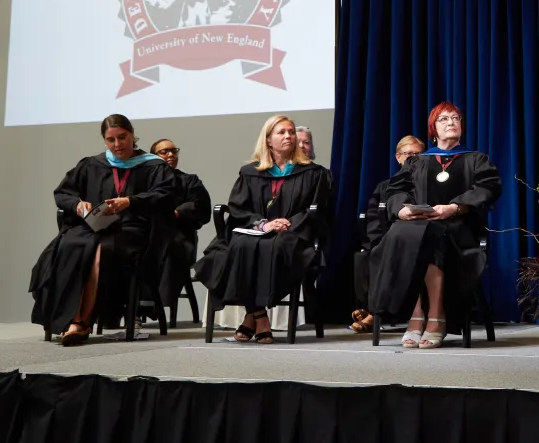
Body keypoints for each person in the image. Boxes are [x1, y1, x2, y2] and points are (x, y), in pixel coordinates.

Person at [30, 114, 175, 346]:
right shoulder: (92, 164)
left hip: (131, 230)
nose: (117, 144)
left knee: (98, 248)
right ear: (104, 140)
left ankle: (81, 320)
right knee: (70, 244)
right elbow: (63, 193)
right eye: (110, 140)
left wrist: (131, 201)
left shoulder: (153, 166)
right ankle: (69, 319)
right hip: (93, 226)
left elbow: (166, 195)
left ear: (132, 134)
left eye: (122, 137)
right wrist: (78, 205)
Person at [369, 102, 501, 349]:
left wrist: (454, 207)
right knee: (402, 231)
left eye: (455, 118)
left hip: (460, 231)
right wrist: (403, 209)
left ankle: (436, 316)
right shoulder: (417, 161)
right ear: (433, 130)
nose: (451, 122)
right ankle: (416, 314)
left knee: (429, 237)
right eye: (443, 119)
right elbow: (397, 190)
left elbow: (489, 187)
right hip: (419, 225)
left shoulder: (476, 159)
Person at [194, 114, 333, 344]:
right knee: (241, 244)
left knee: (276, 245)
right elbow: (239, 208)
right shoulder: (250, 172)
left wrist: (286, 224)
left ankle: (252, 317)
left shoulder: (314, 173)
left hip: (293, 234)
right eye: (282, 132)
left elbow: (317, 209)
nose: (289, 136)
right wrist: (264, 224)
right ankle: (260, 315)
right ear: (268, 140)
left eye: (291, 132)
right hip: (255, 230)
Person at [349, 135, 426, 334]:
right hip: (386, 239)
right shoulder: (386, 187)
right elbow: (373, 218)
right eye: (409, 155)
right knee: (364, 256)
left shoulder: (428, 185)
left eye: (418, 155)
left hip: (417, 240)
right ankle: (372, 307)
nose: (413, 159)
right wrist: (379, 241)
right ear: (398, 157)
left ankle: (374, 314)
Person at [149, 139, 211, 314]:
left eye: (173, 151)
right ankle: (131, 307)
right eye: (164, 152)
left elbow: (201, 206)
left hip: (179, 236)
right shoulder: (146, 182)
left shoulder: (189, 181)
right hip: (150, 235)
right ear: (153, 157)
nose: (170, 155)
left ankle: (156, 305)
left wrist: (177, 213)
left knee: (169, 246)